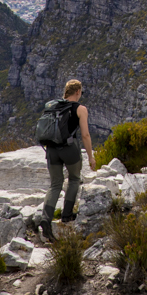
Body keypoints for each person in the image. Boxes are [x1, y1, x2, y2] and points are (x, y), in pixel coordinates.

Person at [38, 79, 96, 241]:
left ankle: (46, 218)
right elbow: (85, 134)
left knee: (55, 184)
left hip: (51, 150)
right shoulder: (80, 108)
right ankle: (67, 215)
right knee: (74, 178)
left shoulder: (52, 106)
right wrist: (91, 157)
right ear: (77, 92)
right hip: (69, 149)